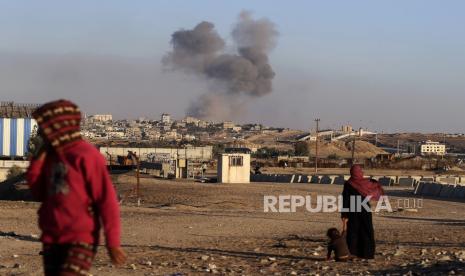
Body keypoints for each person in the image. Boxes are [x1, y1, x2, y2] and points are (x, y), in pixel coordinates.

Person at [27, 100, 127, 275]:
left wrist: (113, 243)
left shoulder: (87, 156)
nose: (42, 132)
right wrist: (38, 159)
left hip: (80, 239)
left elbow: (107, 201)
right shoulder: (52, 157)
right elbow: (38, 192)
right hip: (52, 238)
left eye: (45, 127)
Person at [341, 164, 384, 259]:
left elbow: (345, 200)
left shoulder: (348, 184)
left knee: (353, 231)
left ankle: (353, 252)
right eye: (361, 171)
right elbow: (376, 187)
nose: (362, 172)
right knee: (366, 230)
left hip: (353, 209)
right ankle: (367, 253)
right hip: (365, 209)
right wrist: (374, 182)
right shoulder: (366, 183)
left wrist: (344, 214)